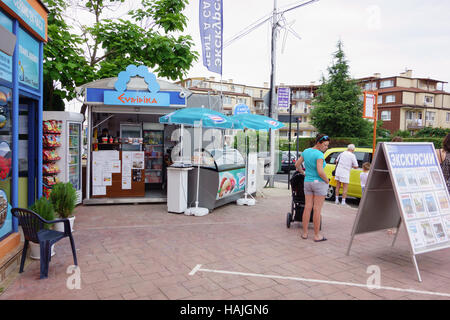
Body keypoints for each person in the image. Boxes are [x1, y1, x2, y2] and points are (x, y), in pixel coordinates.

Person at [295, 133, 330, 242]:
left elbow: (297, 165)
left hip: (308, 182)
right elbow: (320, 171)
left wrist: (303, 172)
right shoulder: (319, 155)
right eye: (325, 145)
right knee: (317, 209)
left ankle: (305, 233)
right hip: (319, 183)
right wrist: (327, 180)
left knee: (307, 207)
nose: (326, 148)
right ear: (319, 143)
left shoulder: (306, 151)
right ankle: (316, 235)